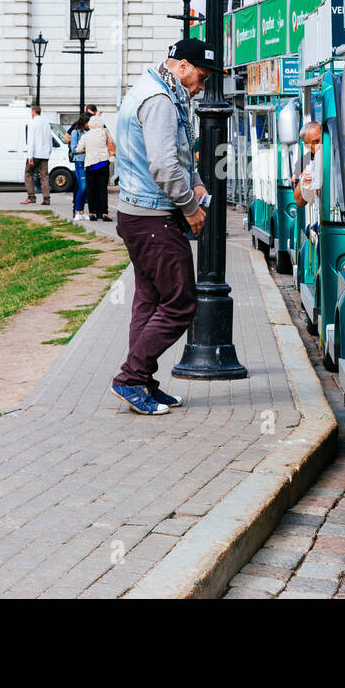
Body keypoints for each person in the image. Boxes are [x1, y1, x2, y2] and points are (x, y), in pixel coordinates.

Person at [110, 37, 215, 416]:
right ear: (182, 66)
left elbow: (179, 152)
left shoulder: (154, 88)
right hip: (154, 216)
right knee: (181, 301)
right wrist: (190, 207)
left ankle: (142, 383)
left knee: (150, 300)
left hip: (137, 214)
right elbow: (164, 166)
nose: (201, 87)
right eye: (201, 78)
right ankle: (130, 378)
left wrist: (198, 179)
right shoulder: (159, 100)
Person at [76, 114, 114, 220]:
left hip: (90, 165)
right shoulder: (104, 132)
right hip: (103, 163)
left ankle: (92, 213)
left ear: (90, 124)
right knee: (102, 190)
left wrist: (87, 149)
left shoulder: (86, 135)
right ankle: (104, 213)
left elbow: (79, 149)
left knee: (91, 190)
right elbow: (111, 142)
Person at [21, 104, 54, 205]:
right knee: (44, 176)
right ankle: (46, 199)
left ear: (33, 112)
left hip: (35, 153)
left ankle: (31, 197)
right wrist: (48, 152)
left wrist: (30, 156)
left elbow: (31, 140)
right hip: (45, 154)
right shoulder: (46, 123)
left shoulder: (33, 122)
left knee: (28, 173)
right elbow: (50, 139)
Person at [65, 113, 90, 221]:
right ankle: (77, 211)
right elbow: (74, 149)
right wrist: (86, 148)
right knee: (82, 186)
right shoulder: (75, 133)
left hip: (88, 162)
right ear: (84, 122)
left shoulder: (88, 132)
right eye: (88, 122)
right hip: (79, 161)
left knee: (85, 188)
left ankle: (82, 211)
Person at [293, 121, 323, 207]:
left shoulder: (336, 152)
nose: (321, 144)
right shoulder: (303, 163)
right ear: (307, 146)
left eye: (322, 139)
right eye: (315, 142)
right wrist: (303, 180)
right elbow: (299, 202)